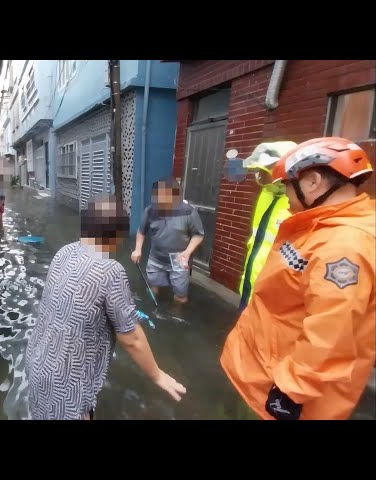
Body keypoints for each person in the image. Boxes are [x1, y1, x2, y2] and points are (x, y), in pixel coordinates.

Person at [220, 137, 375, 420]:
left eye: (287, 185)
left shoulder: (345, 246)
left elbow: (331, 334)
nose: (286, 196)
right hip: (260, 372)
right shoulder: (318, 226)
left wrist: (290, 392)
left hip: (277, 394)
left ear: (313, 181)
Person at [25, 194, 186, 420]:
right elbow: (131, 339)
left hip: (37, 362)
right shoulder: (110, 271)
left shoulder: (63, 253)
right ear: (116, 237)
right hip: (65, 383)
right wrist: (158, 375)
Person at [238, 142, 296, 310]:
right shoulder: (267, 194)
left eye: (267, 169)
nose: (261, 175)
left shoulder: (298, 202)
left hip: (274, 297)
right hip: (251, 286)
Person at [131, 177, 204, 304]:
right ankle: (153, 310)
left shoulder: (189, 211)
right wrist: (138, 249)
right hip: (156, 257)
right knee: (152, 288)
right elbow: (141, 231)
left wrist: (187, 253)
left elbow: (198, 235)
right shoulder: (150, 211)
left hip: (179, 258)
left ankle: (177, 316)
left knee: (180, 296)